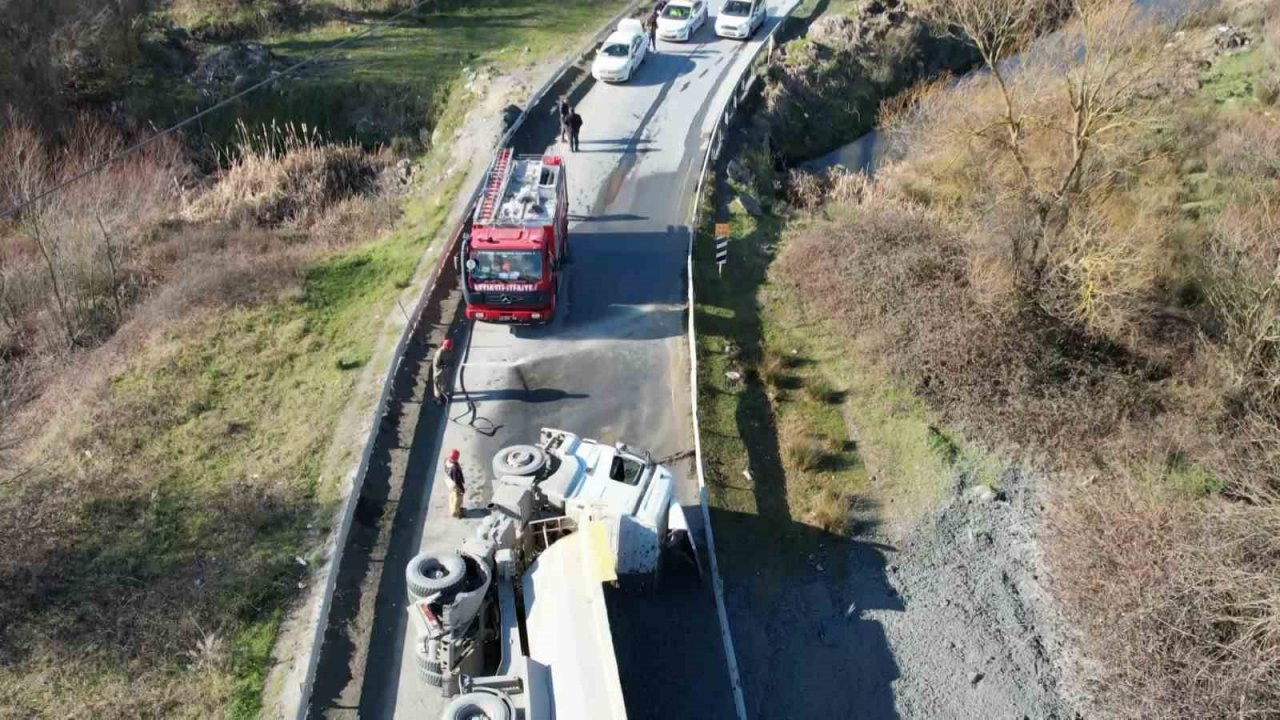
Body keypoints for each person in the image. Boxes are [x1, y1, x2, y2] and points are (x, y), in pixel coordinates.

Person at [431, 338, 454, 406]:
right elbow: (436, 365)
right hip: (438, 373)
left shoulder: (447, 351)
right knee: (437, 386)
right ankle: (438, 399)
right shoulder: (439, 353)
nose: (451, 348)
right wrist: (444, 366)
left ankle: (442, 395)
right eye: (450, 347)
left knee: (443, 384)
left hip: (444, 372)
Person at [444, 449, 465, 518]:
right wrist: (462, 489)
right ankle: (456, 512)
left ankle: (455, 509)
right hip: (454, 484)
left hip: (449, 481)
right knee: (458, 498)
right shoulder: (454, 468)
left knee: (452, 495)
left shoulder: (446, 460)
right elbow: (457, 481)